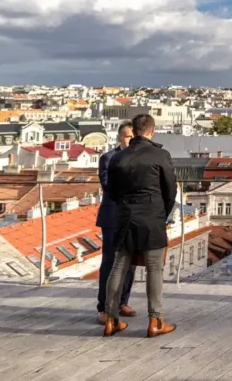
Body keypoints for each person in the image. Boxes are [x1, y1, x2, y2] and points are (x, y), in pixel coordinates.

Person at [102, 114, 178, 338]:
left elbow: (112, 191)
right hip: (152, 217)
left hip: (125, 216)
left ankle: (111, 319)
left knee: (118, 267)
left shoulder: (119, 157)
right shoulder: (160, 154)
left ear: (134, 132)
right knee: (154, 269)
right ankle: (155, 321)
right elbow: (170, 190)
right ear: (152, 131)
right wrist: (161, 212)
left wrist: (126, 205)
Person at [95, 122, 137, 325]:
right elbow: (107, 185)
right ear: (120, 138)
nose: (131, 141)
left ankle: (122, 302)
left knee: (130, 262)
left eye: (134, 137)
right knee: (110, 262)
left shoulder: (141, 158)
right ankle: (103, 307)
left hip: (133, 216)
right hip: (113, 216)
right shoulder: (108, 158)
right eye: (128, 137)